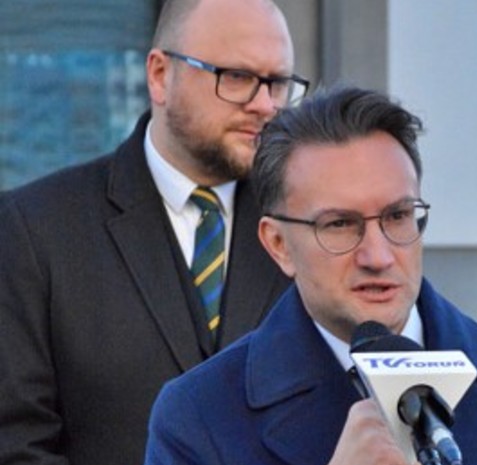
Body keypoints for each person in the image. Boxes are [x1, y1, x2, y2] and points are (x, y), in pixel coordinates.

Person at [142, 86, 477, 465]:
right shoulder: (200, 414)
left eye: (398, 216)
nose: (378, 255)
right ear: (278, 244)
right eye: (340, 225)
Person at [0, 0, 305, 463]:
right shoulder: (34, 228)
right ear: (161, 75)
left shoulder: (309, 227)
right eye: (236, 77)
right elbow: (17, 444)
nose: (265, 105)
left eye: (278, 83)